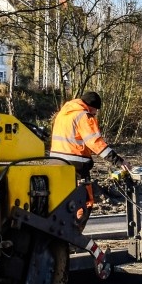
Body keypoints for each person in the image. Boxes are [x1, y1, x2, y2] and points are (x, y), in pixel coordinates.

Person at [50, 91, 125, 226]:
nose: (96, 113)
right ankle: (74, 235)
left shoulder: (64, 114)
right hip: (76, 164)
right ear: (92, 106)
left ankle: (60, 234)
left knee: (62, 200)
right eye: (96, 110)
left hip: (56, 161)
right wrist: (118, 161)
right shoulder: (84, 116)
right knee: (84, 202)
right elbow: (95, 143)